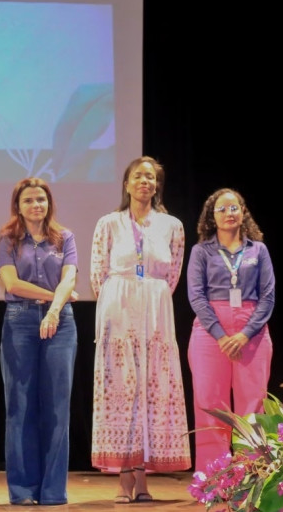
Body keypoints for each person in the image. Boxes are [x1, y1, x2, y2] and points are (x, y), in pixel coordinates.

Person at [89, 155, 191, 504]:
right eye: (138, 176)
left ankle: (144, 477)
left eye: (151, 177)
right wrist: (116, 305)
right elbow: (97, 272)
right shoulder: (108, 223)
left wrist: (152, 297)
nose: (145, 182)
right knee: (121, 389)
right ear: (127, 183)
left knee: (152, 389)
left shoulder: (172, 225)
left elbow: (173, 272)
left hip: (156, 309)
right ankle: (123, 477)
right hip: (118, 306)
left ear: (156, 185)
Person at [0, 177, 79, 506]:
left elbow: (70, 277)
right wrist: (55, 298)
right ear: (18, 205)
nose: (36, 205)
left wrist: (55, 311)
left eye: (41, 199)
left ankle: (53, 491)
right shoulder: (8, 238)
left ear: (49, 203)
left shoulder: (65, 237)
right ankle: (23, 490)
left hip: (61, 323)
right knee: (21, 407)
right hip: (20, 321)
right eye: (29, 200)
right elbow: (12, 283)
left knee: (57, 408)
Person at [186, 188, 275, 476]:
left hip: (252, 331)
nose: (228, 213)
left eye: (234, 207)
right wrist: (222, 336)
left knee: (253, 403)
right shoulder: (202, 251)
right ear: (212, 217)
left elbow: (268, 296)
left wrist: (246, 333)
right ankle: (214, 479)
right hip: (211, 333)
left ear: (243, 212)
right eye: (221, 209)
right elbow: (196, 297)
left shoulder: (258, 250)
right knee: (211, 404)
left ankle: (251, 476)